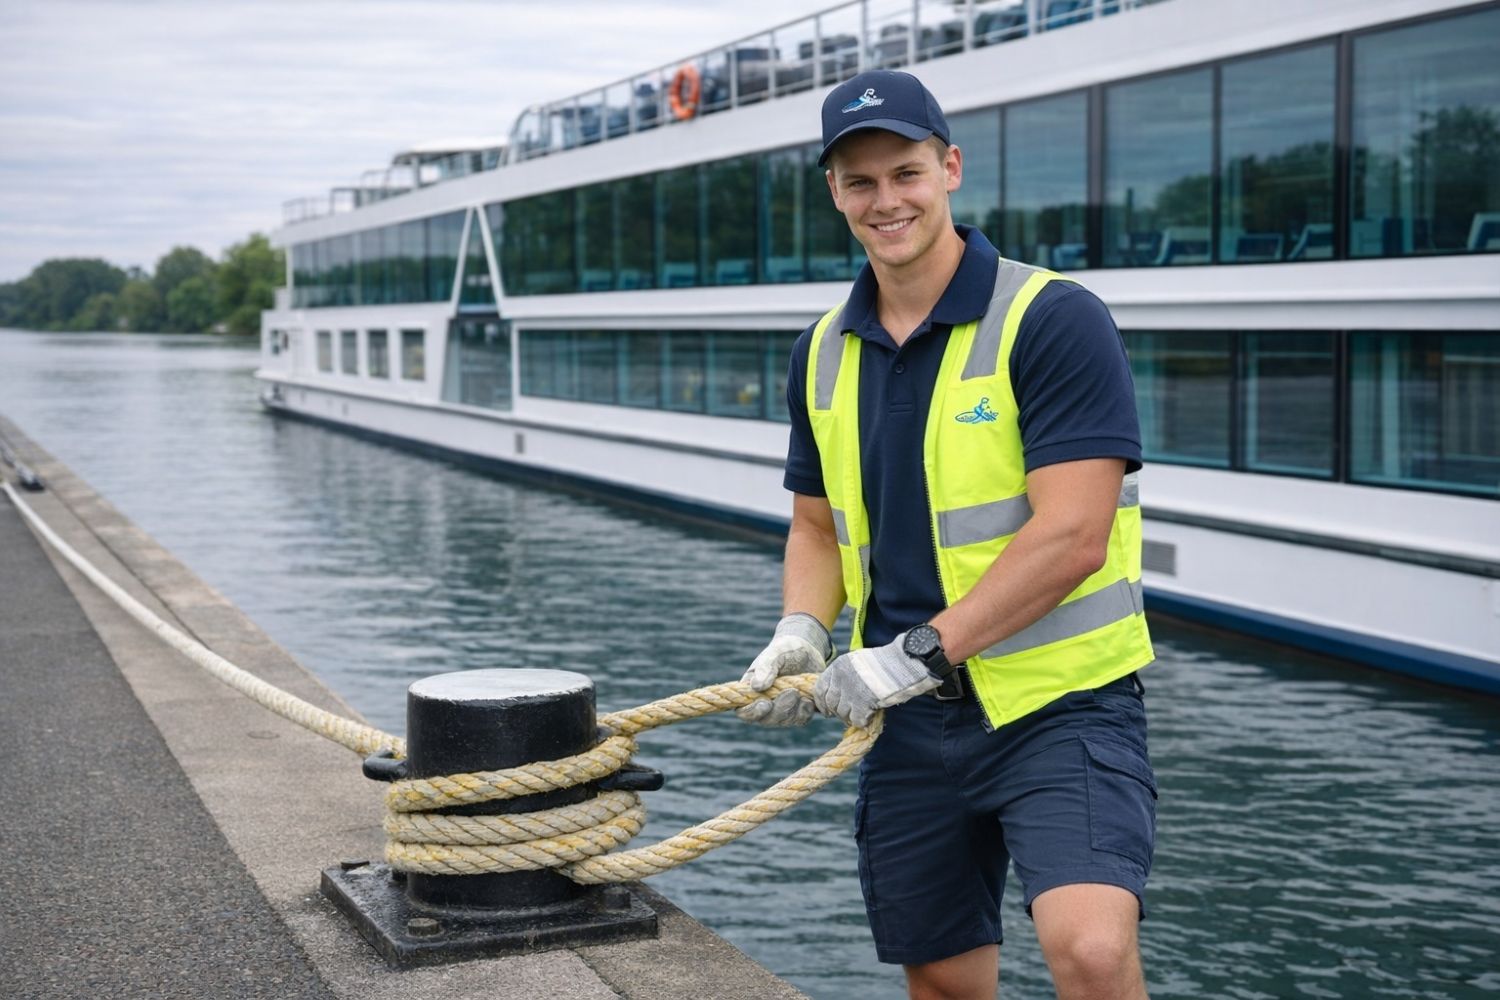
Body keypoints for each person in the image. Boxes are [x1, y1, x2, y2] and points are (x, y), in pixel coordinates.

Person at [736, 69, 1157, 1000]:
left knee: (1089, 951)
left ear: (950, 168)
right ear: (835, 194)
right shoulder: (821, 348)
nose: (886, 200)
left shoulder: (1051, 318)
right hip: (907, 726)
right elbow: (814, 524)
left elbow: (1075, 535)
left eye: (906, 172)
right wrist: (800, 630)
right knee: (945, 983)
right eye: (860, 181)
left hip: (1059, 704)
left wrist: (917, 652)